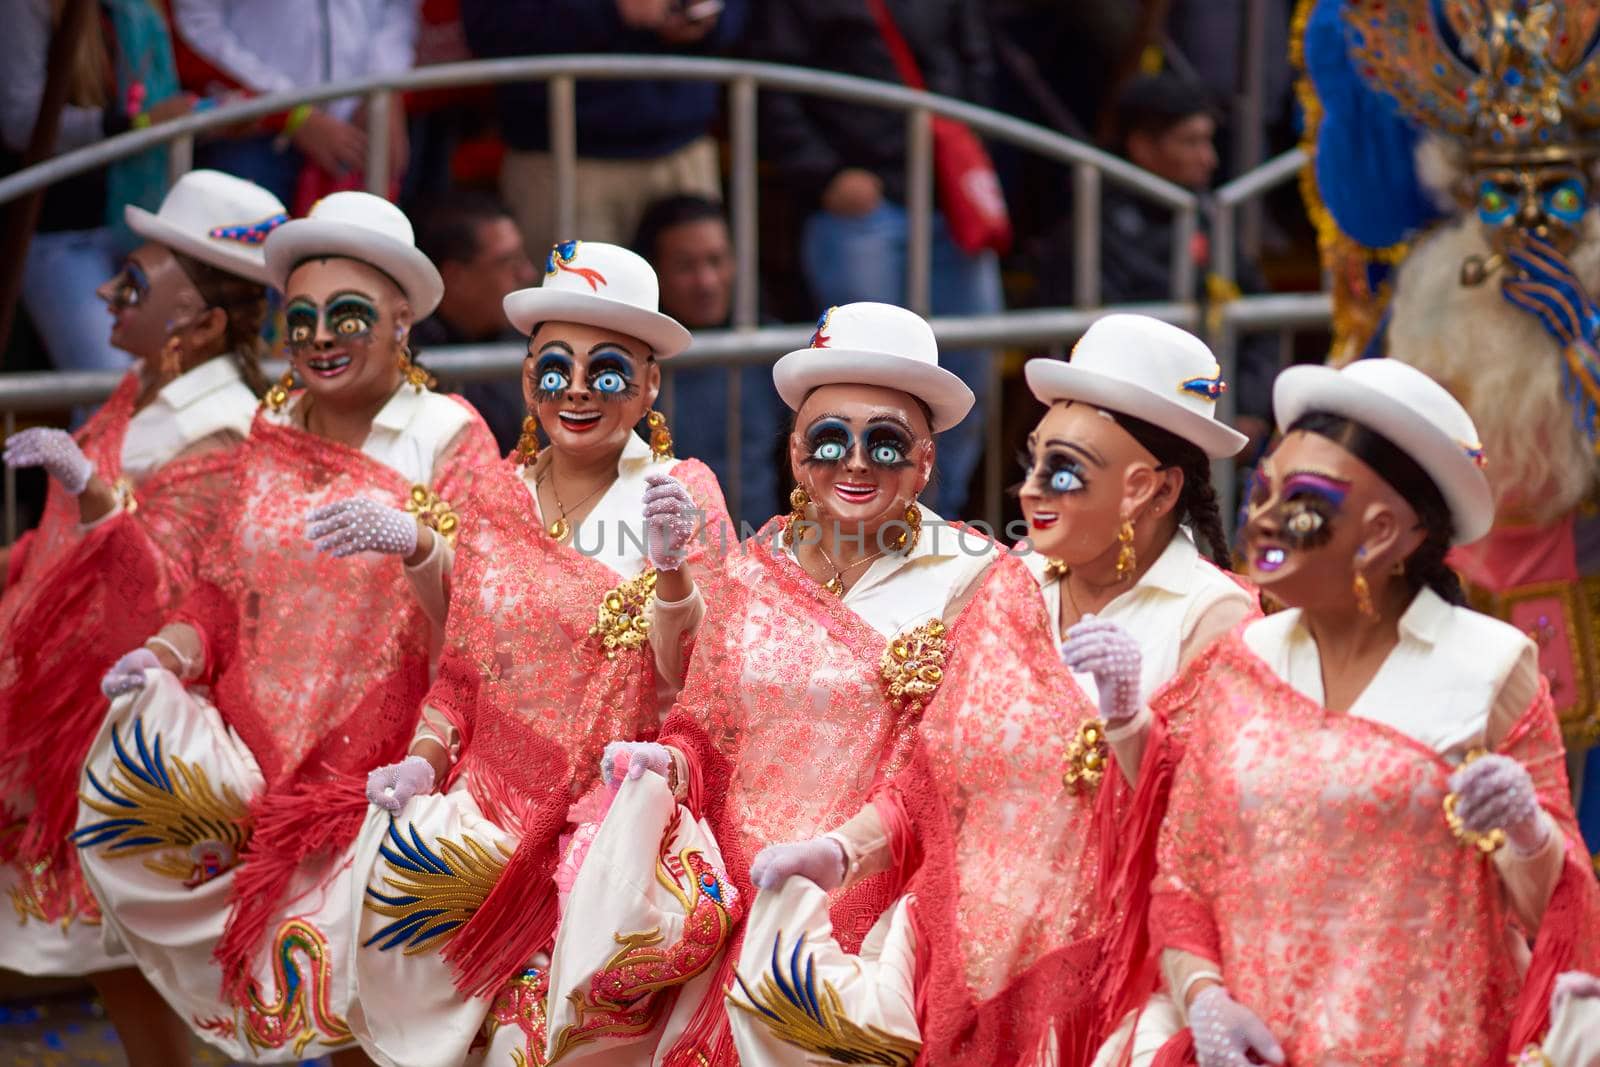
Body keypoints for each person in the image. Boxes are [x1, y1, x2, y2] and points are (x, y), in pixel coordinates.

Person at [544, 301, 1100, 1065]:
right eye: (832, 439)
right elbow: (702, 731)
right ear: (799, 455)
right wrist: (663, 766)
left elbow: (969, 776)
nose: (856, 463)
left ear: (928, 461)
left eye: (886, 443)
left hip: (865, 933)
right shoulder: (755, 563)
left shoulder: (979, 578)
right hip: (738, 907)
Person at [73, 192, 499, 1064]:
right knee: (274, 985)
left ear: (402, 320)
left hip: (375, 778)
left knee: (362, 1010)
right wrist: (163, 655)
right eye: (300, 318)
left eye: (346, 315)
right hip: (255, 762)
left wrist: (421, 544)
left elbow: (490, 620)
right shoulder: (270, 424)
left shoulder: (448, 435)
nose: (318, 336)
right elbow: (222, 587)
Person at [343, 240, 733, 1067]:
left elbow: (702, 687)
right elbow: (462, 674)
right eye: (555, 369)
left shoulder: (680, 492)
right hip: (481, 824)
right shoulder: (496, 492)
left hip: (601, 845)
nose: (579, 390)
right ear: (528, 382)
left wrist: (670, 568)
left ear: (651, 384)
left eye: (610, 370)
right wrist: (422, 759)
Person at [1145, 359, 1600, 1063]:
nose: (1261, 519)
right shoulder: (1241, 659)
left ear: (1384, 531)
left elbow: (1561, 916)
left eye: (1297, 502)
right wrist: (1204, 995)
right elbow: (1181, 877)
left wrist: (1527, 827)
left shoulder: (1489, 665)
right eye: (1261, 492)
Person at [1294, 0, 1600, 859]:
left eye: (1559, 196)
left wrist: (1579, 335)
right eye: (1502, 198)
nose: (1529, 228)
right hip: (1441, 605)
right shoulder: (1423, 306)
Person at [0, 168, 283, 1067]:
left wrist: (92, 501)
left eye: (132, 281)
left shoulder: (226, 427)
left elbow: (172, 591)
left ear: (199, 323)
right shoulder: (147, 395)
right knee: (111, 955)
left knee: (141, 954)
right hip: (76, 712)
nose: (103, 291)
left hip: (135, 721)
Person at [748, 0, 1001, 518]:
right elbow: (772, 88)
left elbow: (976, 59)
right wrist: (826, 176)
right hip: (861, 210)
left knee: (966, 387)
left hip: (947, 202)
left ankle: (935, 527)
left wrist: (964, 138)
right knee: (861, 386)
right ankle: (845, 529)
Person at [1019, 314, 1257, 779]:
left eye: (1063, 471)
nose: (1029, 491)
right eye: (1034, 461)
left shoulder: (1214, 618)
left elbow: (1211, 812)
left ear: (1159, 491)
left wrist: (1132, 723)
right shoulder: (1014, 579)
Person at [1036, 73, 1279, 444]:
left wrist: (1244, 407)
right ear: (1142, 147)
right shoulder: (1089, 230)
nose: (1209, 159)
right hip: (1130, 429)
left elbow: (1261, 317)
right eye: (1191, 142)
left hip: (1214, 423)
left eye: (1208, 141)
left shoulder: (1207, 218)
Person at [461, 0, 748, 262]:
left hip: (685, 151)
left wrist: (711, 16)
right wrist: (611, 11)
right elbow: (491, 27)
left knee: (700, 313)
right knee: (573, 313)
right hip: (564, 161)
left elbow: (739, 12)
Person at [5, 0, 194, 378]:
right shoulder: (24, 7)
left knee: (164, 371)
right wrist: (132, 125)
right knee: (108, 377)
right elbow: (21, 120)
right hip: (60, 234)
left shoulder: (137, 11)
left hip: (139, 228)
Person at [170, 0, 417, 206]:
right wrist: (288, 110)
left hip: (356, 130)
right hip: (252, 135)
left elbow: (397, 10)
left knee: (353, 257)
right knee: (240, 258)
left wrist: (385, 86)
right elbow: (197, 24)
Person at [635, 194, 786, 524]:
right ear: (654, 273)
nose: (707, 282)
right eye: (686, 266)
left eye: (716, 261)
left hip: (764, 556)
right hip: (662, 561)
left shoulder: (768, 350)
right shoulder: (630, 366)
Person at [412, 189, 538, 454]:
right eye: (508, 262)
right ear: (455, 276)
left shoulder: (528, 337)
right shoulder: (408, 359)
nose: (528, 273)